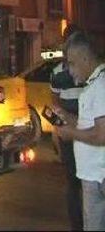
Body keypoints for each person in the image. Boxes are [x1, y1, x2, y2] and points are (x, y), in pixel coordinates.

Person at [55, 32, 105, 231]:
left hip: (98, 176)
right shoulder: (94, 84)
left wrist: (70, 134)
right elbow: (88, 125)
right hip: (93, 175)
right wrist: (67, 118)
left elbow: (102, 134)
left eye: (72, 64)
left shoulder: (100, 86)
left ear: (85, 58)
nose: (71, 71)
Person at [50, 24, 84, 231]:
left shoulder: (92, 71)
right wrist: (57, 131)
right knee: (73, 182)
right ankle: (77, 225)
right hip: (70, 136)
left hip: (90, 132)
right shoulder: (57, 73)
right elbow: (55, 104)